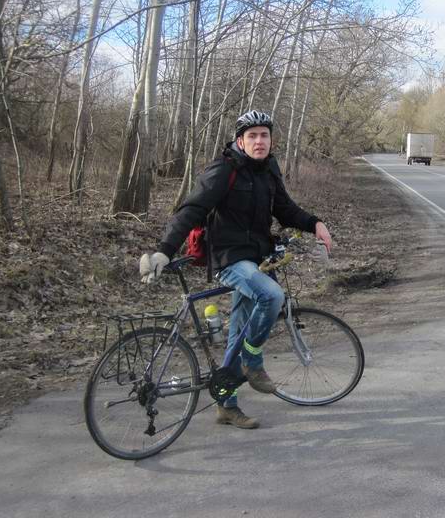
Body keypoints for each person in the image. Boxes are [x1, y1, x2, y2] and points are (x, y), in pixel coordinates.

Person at [139, 110, 332, 429]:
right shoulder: (224, 169)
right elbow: (192, 210)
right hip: (228, 259)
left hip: (256, 260)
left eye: (264, 135)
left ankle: (226, 406)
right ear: (240, 140)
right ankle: (252, 364)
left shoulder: (269, 168)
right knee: (271, 296)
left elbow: (284, 208)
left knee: (239, 332)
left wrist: (316, 223)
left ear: (271, 140)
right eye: (252, 136)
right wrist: (163, 251)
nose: (259, 141)